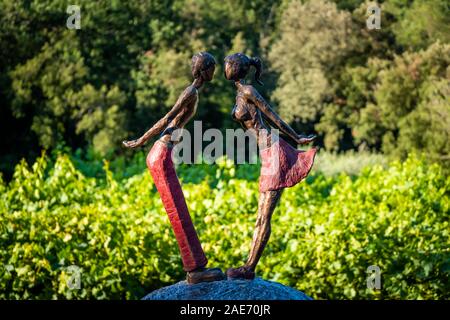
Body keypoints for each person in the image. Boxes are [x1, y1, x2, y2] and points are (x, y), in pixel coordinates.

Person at [123, 52, 225, 284]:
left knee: (180, 209)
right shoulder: (190, 92)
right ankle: (194, 269)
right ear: (204, 70)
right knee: (177, 212)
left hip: (164, 153)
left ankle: (196, 266)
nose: (214, 73)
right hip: (160, 154)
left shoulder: (194, 91)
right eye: (213, 68)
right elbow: (167, 117)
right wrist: (142, 139)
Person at [223, 53, 317, 280]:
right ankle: (248, 265)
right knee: (261, 215)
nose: (224, 68)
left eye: (227, 65)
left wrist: (296, 136)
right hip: (267, 154)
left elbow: (273, 117)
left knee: (264, 215)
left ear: (236, 68)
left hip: (274, 152)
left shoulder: (248, 91)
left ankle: (249, 267)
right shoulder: (240, 92)